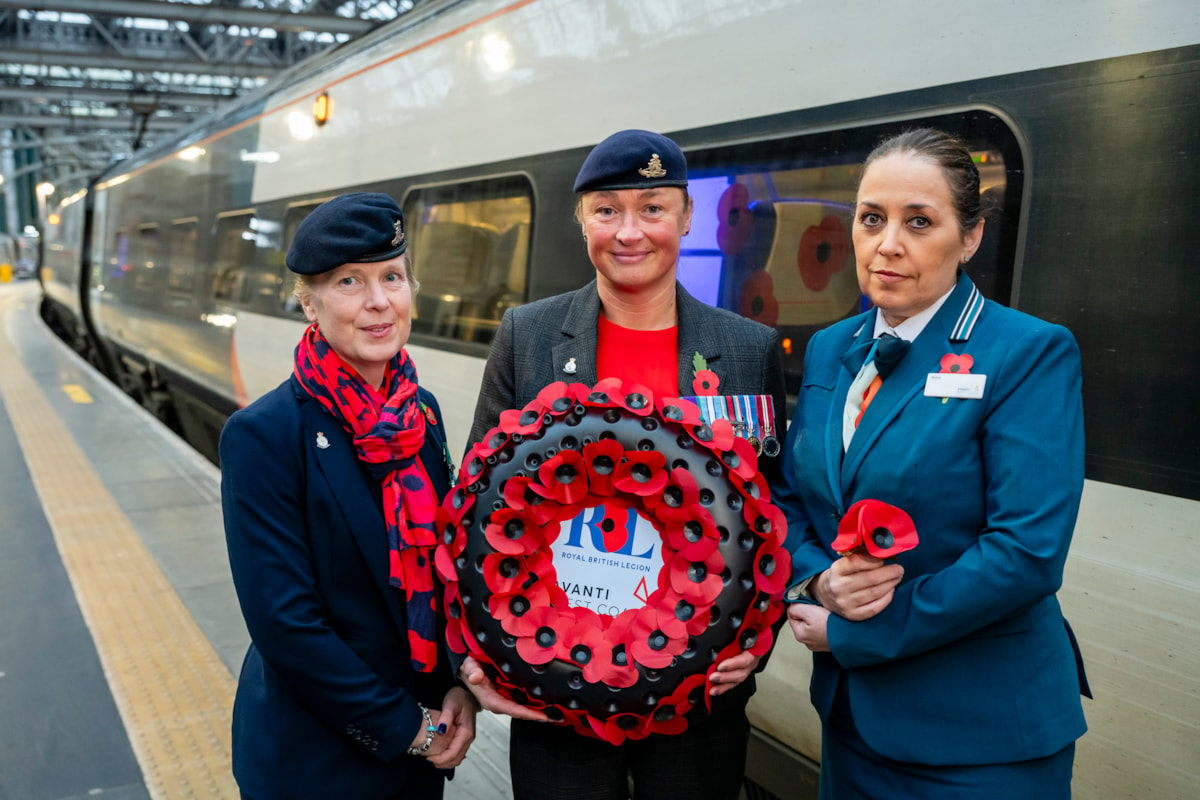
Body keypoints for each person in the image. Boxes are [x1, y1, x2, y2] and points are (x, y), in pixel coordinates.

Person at [462, 129, 787, 800]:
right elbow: (476, 507)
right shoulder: (529, 336)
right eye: (607, 210)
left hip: (700, 692)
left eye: (653, 208)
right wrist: (474, 650)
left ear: (687, 217)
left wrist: (758, 639)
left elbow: (774, 517)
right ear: (581, 220)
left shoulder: (748, 349)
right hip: (559, 687)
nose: (629, 231)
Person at [779, 128, 1090, 798]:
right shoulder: (834, 348)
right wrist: (817, 585)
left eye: (919, 221)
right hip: (853, 723)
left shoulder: (1026, 352)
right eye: (871, 219)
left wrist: (855, 633)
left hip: (979, 740)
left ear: (969, 238)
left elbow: (1027, 552)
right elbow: (791, 501)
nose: (888, 244)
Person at [220, 193, 477, 800]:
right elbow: (287, 625)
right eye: (348, 282)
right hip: (315, 762)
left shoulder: (423, 414)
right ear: (308, 302)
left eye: (392, 276)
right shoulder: (266, 434)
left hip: (417, 754)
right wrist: (406, 727)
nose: (379, 301)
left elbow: (441, 570)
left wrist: (455, 688)